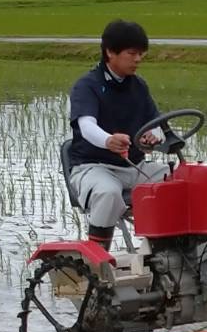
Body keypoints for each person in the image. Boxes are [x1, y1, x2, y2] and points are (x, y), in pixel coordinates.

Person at [67, 20, 179, 249]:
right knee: (108, 193)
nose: (138, 59)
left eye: (141, 54)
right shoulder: (87, 86)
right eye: (132, 53)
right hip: (94, 167)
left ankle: (171, 252)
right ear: (110, 52)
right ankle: (97, 261)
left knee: (185, 181)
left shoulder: (138, 86)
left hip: (135, 167)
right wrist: (108, 140)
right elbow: (86, 125)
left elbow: (154, 123)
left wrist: (153, 136)